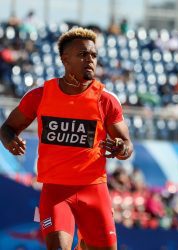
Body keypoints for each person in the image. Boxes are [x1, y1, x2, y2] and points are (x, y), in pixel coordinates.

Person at [0, 27, 133, 250]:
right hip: (56, 191)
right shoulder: (40, 95)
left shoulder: (106, 100)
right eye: (82, 55)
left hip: (94, 190)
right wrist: (10, 140)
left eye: (93, 55)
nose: (90, 60)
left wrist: (121, 148)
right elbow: (7, 128)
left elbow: (127, 144)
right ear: (65, 59)